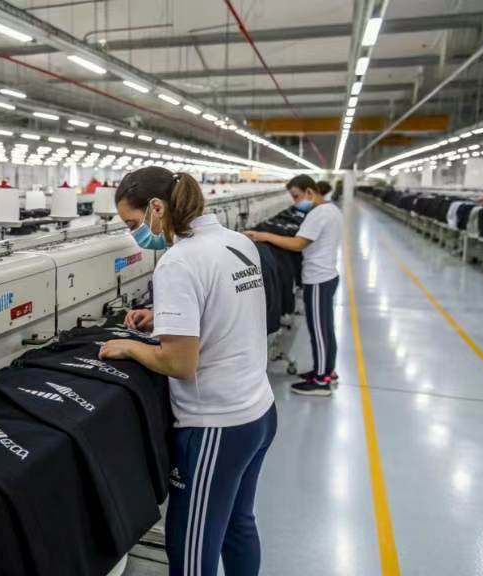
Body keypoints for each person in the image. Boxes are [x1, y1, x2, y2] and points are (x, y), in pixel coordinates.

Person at [99, 166, 277, 576]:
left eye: (132, 222)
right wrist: (163, 315)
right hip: (259, 412)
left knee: (190, 550)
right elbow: (224, 306)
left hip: (216, 425)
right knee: (238, 524)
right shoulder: (237, 243)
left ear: (156, 208)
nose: (133, 233)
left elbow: (179, 364)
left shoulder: (178, 261)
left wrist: (131, 347)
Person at [246, 175, 342, 397]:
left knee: (319, 331)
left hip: (318, 279)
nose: (296, 201)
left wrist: (262, 235)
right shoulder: (331, 209)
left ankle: (321, 382)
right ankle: (326, 371)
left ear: (310, 191)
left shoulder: (318, 214)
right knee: (325, 328)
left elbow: (297, 244)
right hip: (325, 276)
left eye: (297, 196)